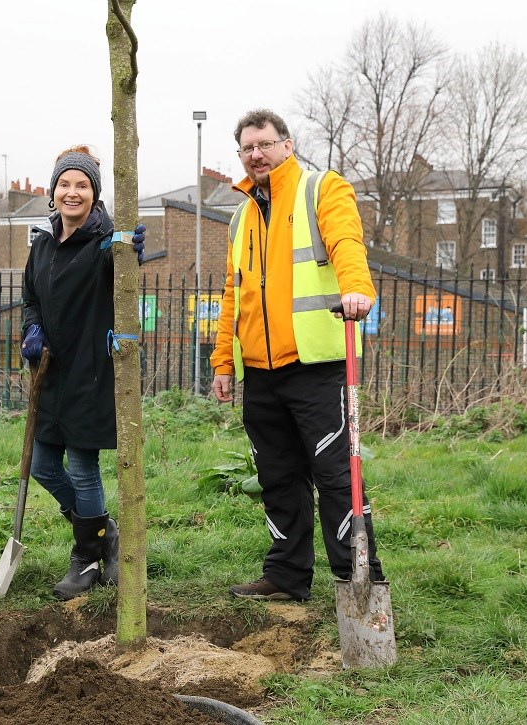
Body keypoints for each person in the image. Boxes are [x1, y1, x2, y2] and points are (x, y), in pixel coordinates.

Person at [210, 109, 386, 602]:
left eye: (264, 143)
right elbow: (233, 293)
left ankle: (361, 581)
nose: (256, 154)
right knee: (278, 478)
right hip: (262, 374)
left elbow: (347, 242)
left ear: (287, 144)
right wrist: (224, 361)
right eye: (247, 148)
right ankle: (286, 577)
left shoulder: (321, 189)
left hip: (317, 367)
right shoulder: (241, 215)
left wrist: (356, 289)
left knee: (336, 477)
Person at [20, 145, 144, 600]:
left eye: (83, 185)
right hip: (50, 372)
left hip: (91, 372)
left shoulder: (105, 243)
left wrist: (129, 249)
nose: (73, 193)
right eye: (65, 184)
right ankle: (103, 530)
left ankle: (86, 556)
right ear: (52, 193)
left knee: (82, 467)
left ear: (95, 195)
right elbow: (30, 298)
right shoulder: (42, 246)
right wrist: (32, 328)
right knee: (42, 464)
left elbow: (122, 270)